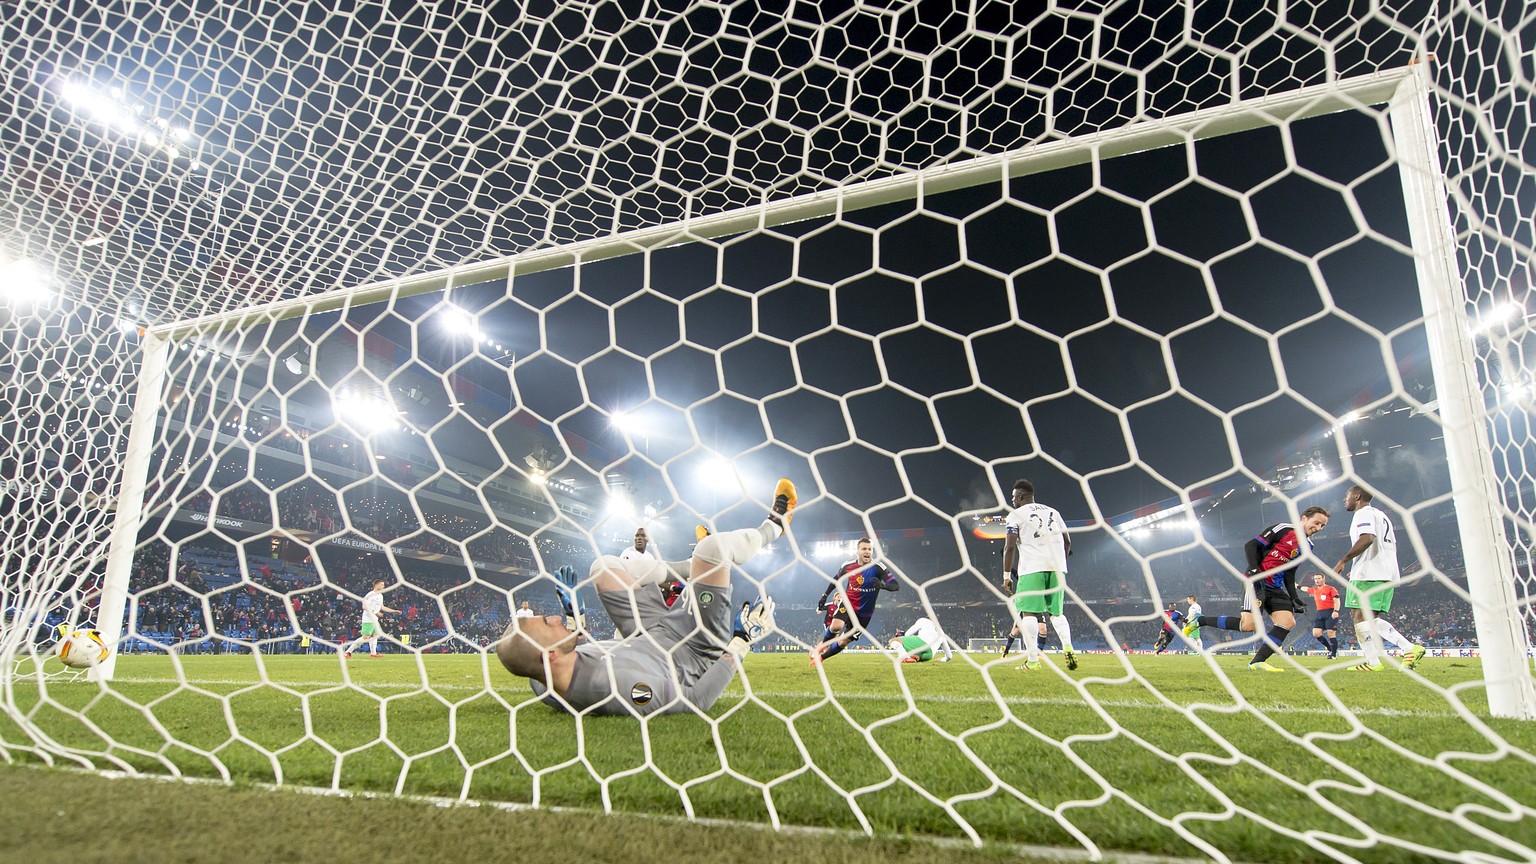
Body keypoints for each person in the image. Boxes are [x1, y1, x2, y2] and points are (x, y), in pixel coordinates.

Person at [494, 478, 794, 716]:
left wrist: (575, 619)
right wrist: (741, 642)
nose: (555, 617)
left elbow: (576, 650)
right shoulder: (613, 689)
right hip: (694, 647)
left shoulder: (541, 678)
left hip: (647, 633)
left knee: (605, 567)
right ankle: (773, 527)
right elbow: (696, 701)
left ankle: (693, 568)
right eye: (548, 622)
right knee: (713, 549)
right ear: (550, 654)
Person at [1184, 507, 1329, 671]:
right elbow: (1251, 545)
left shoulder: (1308, 546)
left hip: (1275, 587)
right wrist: (1254, 570)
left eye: (1323, 526)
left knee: (1287, 622)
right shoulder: (1283, 529)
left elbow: (1290, 572)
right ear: (1304, 518)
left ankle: (1257, 662)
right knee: (1248, 626)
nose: (1318, 528)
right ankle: (1200, 621)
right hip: (1255, 582)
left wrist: (1294, 597)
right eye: (1316, 523)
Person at [1334, 486, 1426, 672]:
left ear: (1357, 496)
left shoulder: (1363, 513)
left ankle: (1408, 648)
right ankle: (1373, 663)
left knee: (1362, 618)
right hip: (1383, 571)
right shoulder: (1381, 515)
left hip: (1370, 572)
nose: (1345, 500)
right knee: (1364, 618)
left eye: (1347, 496)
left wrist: (1344, 560)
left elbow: (1367, 538)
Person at [1001, 479, 1075, 671]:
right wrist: (1061, 563)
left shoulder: (1015, 515)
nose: (1012, 501)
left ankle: (1032, 662)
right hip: (1057, 568)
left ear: (1020, 497)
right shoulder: (1054, 512)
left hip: (1031, 568)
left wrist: (1006, 576)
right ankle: (1068, 647)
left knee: (1029, 614)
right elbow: (1067, 541)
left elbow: (1009, 547)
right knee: (1056, 613)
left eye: (1013, 497)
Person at [810, 537, 899, 665]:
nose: (867, 551)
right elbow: (836, 579)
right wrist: (824, 596)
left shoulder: (878, 567)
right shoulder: (847, 566)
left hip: (865, 614)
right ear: (857, 551)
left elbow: (896, 585)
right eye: (864, 549)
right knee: (836, 626)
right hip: (848, 603)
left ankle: (822, 658)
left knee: (843, 641)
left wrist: (883, 586)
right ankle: (823, 645)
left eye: (869, 549)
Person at [343, 580, 399, 658]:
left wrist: (394, 611)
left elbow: (382, 607)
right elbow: (364, 606)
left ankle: (373, 653)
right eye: (382, 585)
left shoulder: (380, 595)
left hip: (374, 619)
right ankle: (348, 652)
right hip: (368, 619)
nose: (383, 586)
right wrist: (375, 612)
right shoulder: (370, 594)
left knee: (375, 635)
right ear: (376, 585)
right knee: (365, 637)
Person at [1300, 573, 1341, 659]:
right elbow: (1306, 589)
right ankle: (1330, 649)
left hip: (1330, 612)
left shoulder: (1331, 589)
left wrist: (1336, 611)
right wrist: (1297, 586)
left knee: (1331, 633)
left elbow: (1337, 600)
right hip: (1319, 613)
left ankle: (1333, 654)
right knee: (1316, 633)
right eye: (1315, 579)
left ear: (1323, 579)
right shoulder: (1315, 590)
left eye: (1319, 578)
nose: (1317, 580)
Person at [887, 616, 954, 663]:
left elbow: (907, 634)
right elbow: (949, 656)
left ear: (927, 617)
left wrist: (901, 634)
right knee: (911, 652)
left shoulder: (923, 620)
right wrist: (942, 659)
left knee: (893, 641)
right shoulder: (941, 632)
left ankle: (905, 657)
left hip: (923, 644)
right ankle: (913, 657)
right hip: (929, 655)